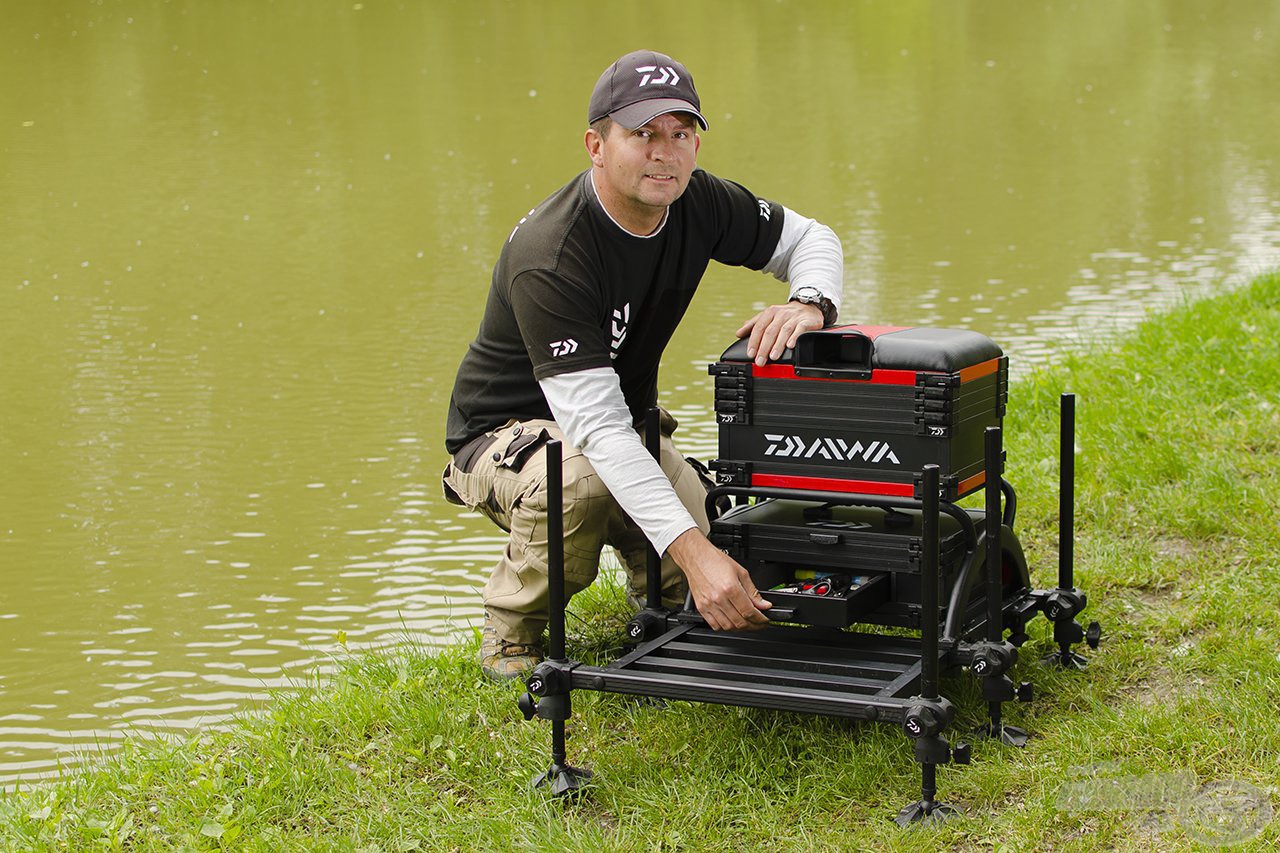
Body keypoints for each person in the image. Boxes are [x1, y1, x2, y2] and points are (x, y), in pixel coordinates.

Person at [442, 49, 844, 680]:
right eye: (643, 134)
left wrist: (810, 303)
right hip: (505, 439)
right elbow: (595, 431)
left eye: (681, 134)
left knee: (723, 546)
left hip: (618, 424)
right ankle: (514, 633)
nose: (666, 151)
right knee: (581, 482)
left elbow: (810, 238)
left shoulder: (695, 201)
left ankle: (659, 601)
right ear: (596, 145)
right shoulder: (553, 255)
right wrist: (694, 554)